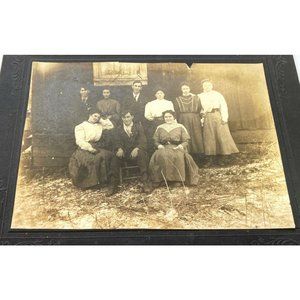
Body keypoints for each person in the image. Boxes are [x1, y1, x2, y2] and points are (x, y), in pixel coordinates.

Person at [149, 110, 200, 188]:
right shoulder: (160, 128)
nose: (168, 118)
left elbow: (186, 141)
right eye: (166, 117)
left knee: (178, 156)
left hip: (176, 147)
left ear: (174, 117)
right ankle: (162, 179)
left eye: (170, 116)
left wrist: (181, 146)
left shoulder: (180, 126)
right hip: (164, 147)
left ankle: (178, 179)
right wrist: (159, 145)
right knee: (160, 155)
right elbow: (155, 141)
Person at [107, 110, 152, 196]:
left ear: (132, 117)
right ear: (122, 118)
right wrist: (119, 148)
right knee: (115, 157)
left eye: (128, 117)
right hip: (124, 152)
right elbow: (116, 141)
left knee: (142, 154)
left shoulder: (138, 127)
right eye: (124, 117)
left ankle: (145, 182)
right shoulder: (118, 129)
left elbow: (143, 140)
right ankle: (112, 184)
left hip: (136, 152)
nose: (126, 119)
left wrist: (137, 148)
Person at [68, 110, 114, 189]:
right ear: (90, 115)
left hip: (96, 146)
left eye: (98, 117)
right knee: (92, 159)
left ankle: (103, 181)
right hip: (84, 147)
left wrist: (101, 120)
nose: (96, 118)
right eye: (95, 116)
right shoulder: (80, 126)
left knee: (107, 155)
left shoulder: (99, 125)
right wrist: (89, 148)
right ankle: (90, 184)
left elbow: (111, 126)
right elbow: (80, 141)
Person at [198, 79, 239, 161]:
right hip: (207, 117)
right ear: (202, 87)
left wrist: (224, 118)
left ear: (211, 86)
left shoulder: (217, 94)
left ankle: (225, 155)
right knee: (209, 135)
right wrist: (202, 116)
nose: (207, 87)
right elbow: (199, 108)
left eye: (208, 85)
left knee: (221, 134)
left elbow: (223, 106)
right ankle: (211, 156)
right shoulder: (200, 96)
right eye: (205, 85)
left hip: (217, 115)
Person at [174, 82, 204, 158]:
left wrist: (201, 118)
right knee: (186, 135)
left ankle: (199, 156)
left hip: (195, 118)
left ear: (189, 89)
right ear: (181, 90)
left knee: (196, 135)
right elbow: (177, 111)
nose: (185, 90)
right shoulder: (178, 99)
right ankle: (187, 155)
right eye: (183, 89)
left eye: (187, 88)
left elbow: (200, 109)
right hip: (183, 119)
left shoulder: (196, 98)